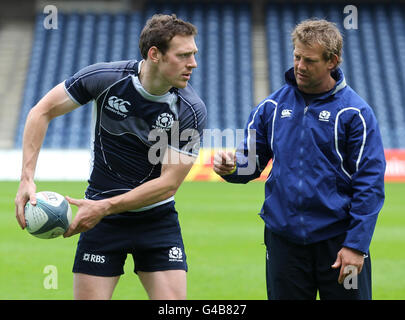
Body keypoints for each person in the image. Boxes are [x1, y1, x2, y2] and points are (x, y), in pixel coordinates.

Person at [15, 14, 207, 300]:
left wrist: (104, 207)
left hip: (155, 220)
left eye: (193, 54)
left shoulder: (190, 110)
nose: (193, 63)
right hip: (101, 222)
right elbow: (41, 111)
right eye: (183, 55)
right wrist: (27, 178)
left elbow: (168, 184)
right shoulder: (105, 78)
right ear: (155, 54)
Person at [213, 19, 386, 300]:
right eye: (296, 56)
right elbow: (251, 164)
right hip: (284, 243)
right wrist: (231, 167)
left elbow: (370, 184)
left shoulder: (356, 113)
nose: (300, 66)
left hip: (339, 242)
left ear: (333, 61)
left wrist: (356, 246)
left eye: (310, 60)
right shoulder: (270, 107)